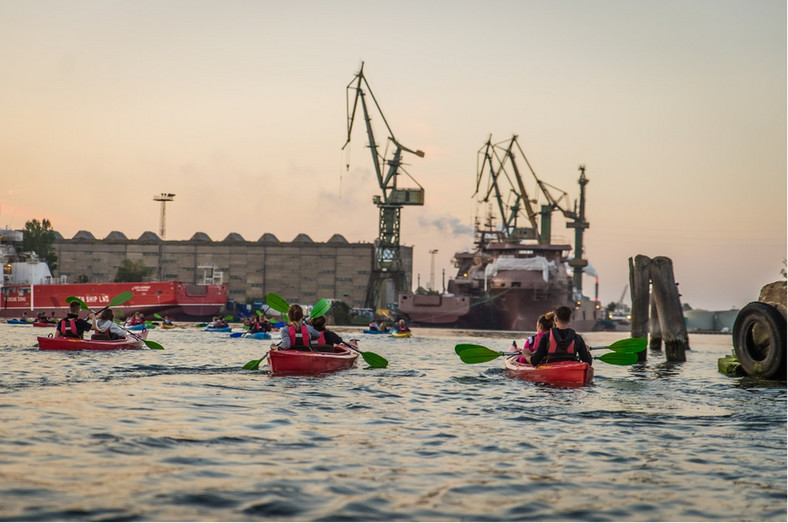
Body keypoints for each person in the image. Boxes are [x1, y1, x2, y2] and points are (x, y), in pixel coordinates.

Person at [524, 305, 593, 367]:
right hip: (571, 370)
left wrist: (526, 354)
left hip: (551, 371)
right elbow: (588, 362)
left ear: (555, 319)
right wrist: (586, 351)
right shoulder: (577, 338)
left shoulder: (546, 337)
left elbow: (535, 362)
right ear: (569, 320)